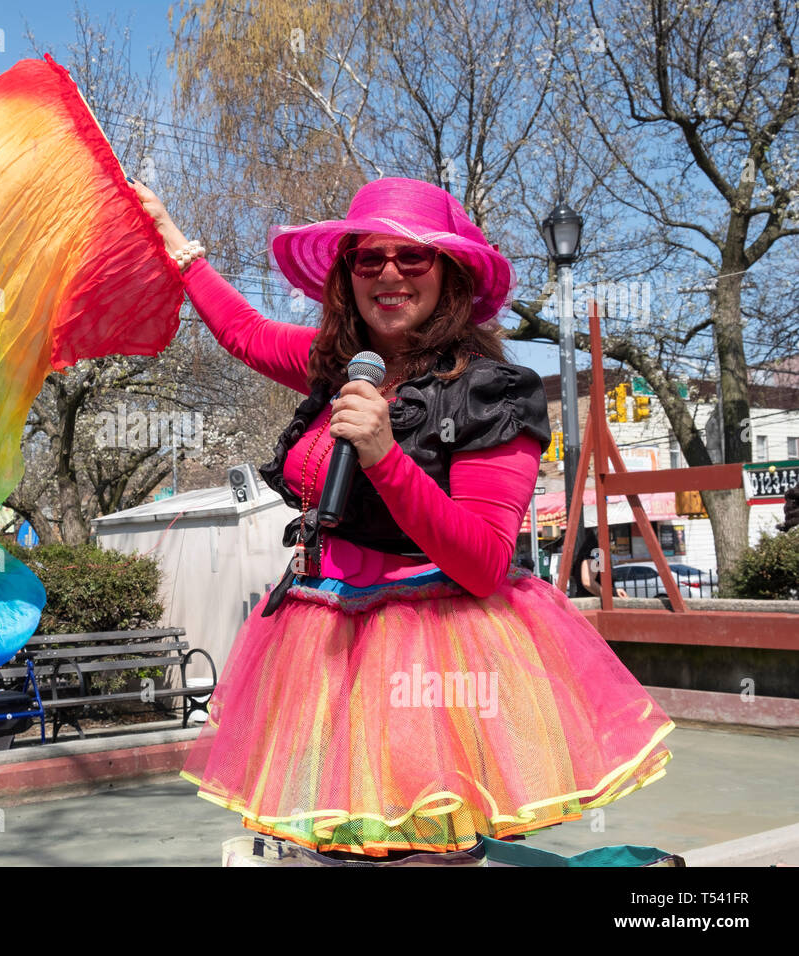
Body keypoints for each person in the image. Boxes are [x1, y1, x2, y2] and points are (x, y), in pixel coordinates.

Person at [132, 176, 674, 865]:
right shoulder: (340, 368)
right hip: (321, 643)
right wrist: (177, 246)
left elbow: (481, 562)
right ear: (348, 275)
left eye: (413, 258)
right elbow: (243, 332)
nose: (389, 274)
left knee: (420, 853)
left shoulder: (490, 392)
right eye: (369, 258)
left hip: (431, 660)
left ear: (449, 275)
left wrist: (386, 456)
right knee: (337, 850)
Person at [570, 527, 629, 599]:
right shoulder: (596, 551)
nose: (611, 541)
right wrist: (611, 594)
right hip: (593, 604)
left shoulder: (593, 550)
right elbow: (588, 581)